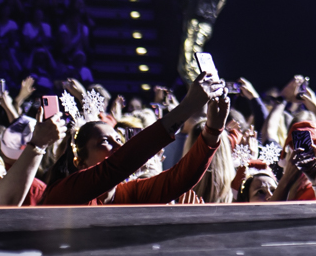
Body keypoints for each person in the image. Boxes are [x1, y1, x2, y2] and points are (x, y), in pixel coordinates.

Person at [39, 74, 227, 205]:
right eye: (105, 141)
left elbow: (179, 180)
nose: (119, 145)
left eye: (118, 138)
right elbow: (118, 165)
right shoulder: (67, 191)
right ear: (79, 162)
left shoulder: (125, 193)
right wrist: (187, 106)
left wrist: (213, 130)